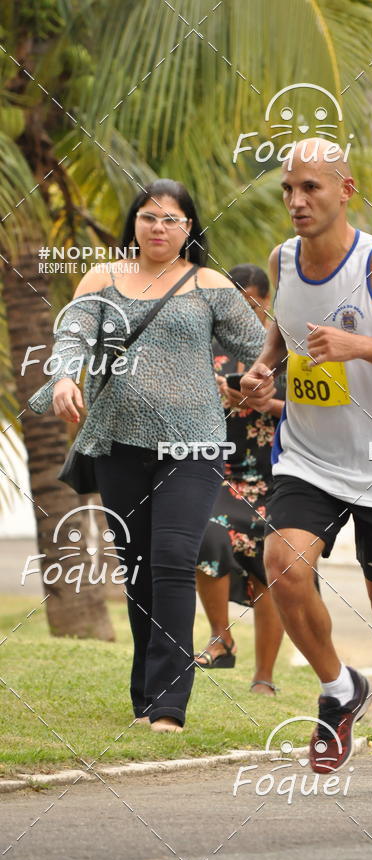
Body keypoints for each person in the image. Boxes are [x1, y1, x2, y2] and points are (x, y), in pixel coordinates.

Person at [241, 138, 372, 795]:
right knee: (284, 565)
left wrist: (358, 343)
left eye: (312, 188)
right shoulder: (283, 260)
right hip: (309, 455)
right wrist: (263, 366)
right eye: (288, 190)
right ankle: (341, 687)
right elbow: (286, 324)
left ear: (345, 190)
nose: (298, 201)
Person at [28, 179, 265, 733]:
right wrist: (65, 376)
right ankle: (145, 692)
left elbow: (261, 348)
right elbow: (74, 335)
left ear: (189, 227)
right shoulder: (102, 278)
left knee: (173, 560)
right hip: (120, 443)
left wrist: (246, 380)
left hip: (194, 442)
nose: (159, 227)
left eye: (172, 219)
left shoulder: (209, 284)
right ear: (134, 222)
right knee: (138, 573)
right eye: (149, 217)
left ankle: (168, 705)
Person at [194, 264, 285, 696]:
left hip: (276, 477)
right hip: (219, 473)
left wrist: (263, 402)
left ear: (266, 303)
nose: (244, 311)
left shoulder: (287, 349)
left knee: (272, 568)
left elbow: (315, 413)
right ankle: (221, 638)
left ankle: (263, 677)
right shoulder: (204, 347)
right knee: (206, 537)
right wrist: (215, 389)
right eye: (236, 302)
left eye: (253, 303)